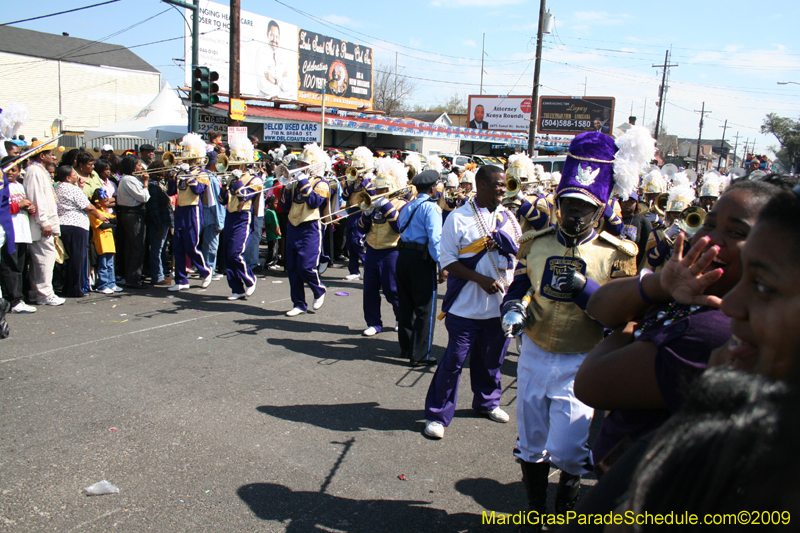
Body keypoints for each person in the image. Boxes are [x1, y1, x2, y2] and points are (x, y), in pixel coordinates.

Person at [500, 127, 652, 524]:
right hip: (533, 352)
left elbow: (623, 315)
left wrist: (588, 292)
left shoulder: (618, 253)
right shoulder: (536, 241)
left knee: (569, 450)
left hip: (581, 360)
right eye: (567, 203)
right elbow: (520, 282)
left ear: (600, 208)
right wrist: (512, 308)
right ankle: (536, 515)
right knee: (531, 443)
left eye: (582, 207)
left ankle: (566, 513)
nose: (572, 213)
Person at [423, 165, 521, 439]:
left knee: (492, 361)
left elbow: (518, 255)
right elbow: (448, 261)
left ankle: (487, 402)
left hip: (498, 307)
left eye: (505, 184)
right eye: (498, 184)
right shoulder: (458, 217)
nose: (503, 189)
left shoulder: (509, 217)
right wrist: (479, 279)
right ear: (481, 185)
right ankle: (437, 414)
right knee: (453, 361)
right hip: (465, 308)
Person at [396, 169, 443, 366]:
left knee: (406, 305)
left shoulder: (407, 206)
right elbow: (435, 239)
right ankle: (420, 354)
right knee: (425, 307)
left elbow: (399, 228)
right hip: (421, 258)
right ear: (432, 189)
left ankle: (406, 348)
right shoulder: (431, 208)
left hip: (403, 255)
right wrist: (443, 264)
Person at [357, 158, 409, 336]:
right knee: (370, 290)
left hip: (392, 251)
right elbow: (360, 228)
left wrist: (385, 205)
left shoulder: (402, 204)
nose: (380, 192)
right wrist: (367, 214)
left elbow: (398, 227)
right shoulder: (372, 203)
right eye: (378, 189)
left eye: (384, 189)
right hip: (372, 250)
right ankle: (373, 323)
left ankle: (400, 318)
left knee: (392, 290)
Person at [279, 143, 330, 316]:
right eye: (299, 164)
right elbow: (284, 206)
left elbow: (314, 202)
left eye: (303, 165)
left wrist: (302, 181)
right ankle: (299, 303)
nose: (299, 167)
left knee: (306, 266)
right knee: (292, 267)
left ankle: (319, 289)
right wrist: (285, 190)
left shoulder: (321, 183)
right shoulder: (295, 182)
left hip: (310, 227)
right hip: (293, 225)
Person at [54, 166, 110, 298]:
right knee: (78, 258)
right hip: (76, 226)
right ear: (68, 178)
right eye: (74, 174)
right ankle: (75, 289)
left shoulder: (57, 188)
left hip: (63, 224)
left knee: (69, 257)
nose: (77, 176)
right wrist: (100, 216)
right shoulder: (72, 189)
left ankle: (68, 286)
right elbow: (88, 206)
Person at [167, 133, 213, 292]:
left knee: (191, 245)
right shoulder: (181, 172)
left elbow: (198, 190)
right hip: (181, 209)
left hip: (193, 210)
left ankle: (206, 271)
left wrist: (188, 176)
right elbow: (171, 191)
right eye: (186, 159)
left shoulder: (202, 173)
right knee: (177, 245)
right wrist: (172, 177)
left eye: (190, 159)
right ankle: (181, 280)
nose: (187, 162)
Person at [222, 135, 263, 300]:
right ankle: (236, 288)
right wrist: (225, 185)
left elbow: (245, 196)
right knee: (227, 255)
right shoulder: (233, 177)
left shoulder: (255, 179)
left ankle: (250, 278)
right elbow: (223, 200)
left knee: (235, 253)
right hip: (230, 215)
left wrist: (237, 180)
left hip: (244, 217)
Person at [24, 142, 64, 306]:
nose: (54, 157)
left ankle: (36, 292)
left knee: (42, 259)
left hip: (44, 224)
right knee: (44, 259)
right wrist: (44, 222)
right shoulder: (34, 171)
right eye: (51, 153)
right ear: (41, 155)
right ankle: (44, 293)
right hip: (41, 225)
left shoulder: (39, 170)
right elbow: (36, 198)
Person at [0, 157, 36, 313]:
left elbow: (24, 204)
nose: (10, 172)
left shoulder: (20, 186)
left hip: (22, 230)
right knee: (9, 266)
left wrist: (30, 207)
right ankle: (12, 300)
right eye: (7, 169)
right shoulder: (2, 186)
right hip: (9, 231)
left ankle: (19, 297)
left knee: (20, 266)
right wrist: (17, 205)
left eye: (13, 169)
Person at [340, 147, 375, 281]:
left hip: (363, 212)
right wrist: (351, 185)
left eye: (359, 168)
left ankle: (368, 267)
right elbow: (344, 196)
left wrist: (364, 180)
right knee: (349, 243)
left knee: (357, 242)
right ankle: (354, 270)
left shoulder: (370, 180)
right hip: (352, 212)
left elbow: (373, 194)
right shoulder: (351, 182)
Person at [116, 154, 150, 288]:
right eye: (138, 165)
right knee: (137, 246)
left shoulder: (131, 179)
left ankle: (132, 275)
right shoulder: (128, 179)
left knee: (132, 247)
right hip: (133, 215)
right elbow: (143, 197)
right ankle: (133, 278)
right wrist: (146, 183)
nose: (141, 167)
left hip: (132, 214)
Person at [145, 160, 173, 287]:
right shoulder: (152, 186)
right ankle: (157, 275)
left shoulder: (159, 184)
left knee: (162, 249)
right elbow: (154, 207)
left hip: (164, 221)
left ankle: (161, 273)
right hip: (159, 222)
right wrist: (158, 225)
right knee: (157, 249)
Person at [88, 188, 119, 294]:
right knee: (103, 264)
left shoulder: (105, 213)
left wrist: (108, 220)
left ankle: (112, 283)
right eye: (105, 201)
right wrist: (108, 221)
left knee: (110, 264)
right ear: (97, 203)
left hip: (110, 243)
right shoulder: (95, 213)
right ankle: (103, 285)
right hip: (101, 242)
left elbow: (114, 221)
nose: (108, 203)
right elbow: (103, 225)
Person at [202, 151, 226, 280]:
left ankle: (207, 269)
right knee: (211, 246)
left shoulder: (207, 175)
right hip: (211, 217)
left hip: (207, 215)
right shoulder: (211, 178)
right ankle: (208, 269)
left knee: (208, 245)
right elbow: (216, 202)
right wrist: (220, 222)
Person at [256, 20, 292, 99]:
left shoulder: (284, 55)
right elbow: (262, 84)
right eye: (272, 35)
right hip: (263, 100)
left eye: (277, 36)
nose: (274, 40)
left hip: (281, 102)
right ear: (267, 34)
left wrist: (275, 81)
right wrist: (282, 90)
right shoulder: (261, 52)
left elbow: (289, 85)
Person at [618, 191, 652, 267]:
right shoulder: (614, 219)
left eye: (631, 201)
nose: (627, 203)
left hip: (634, 264)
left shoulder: (643, 221)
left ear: (636, 203)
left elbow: (646, 246)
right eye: (625, 200)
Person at [264, 196, 281, 269]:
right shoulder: (268, 212)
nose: (276, 205)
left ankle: (274, 262)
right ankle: (268, 263)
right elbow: (269, 224)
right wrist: (275, 231)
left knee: (276, 249)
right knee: (272, 249)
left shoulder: (273, 211)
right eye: (275, 204)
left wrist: (279, 231)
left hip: (276, 234)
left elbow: (276, 223)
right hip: (272, 234)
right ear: (270, 203)